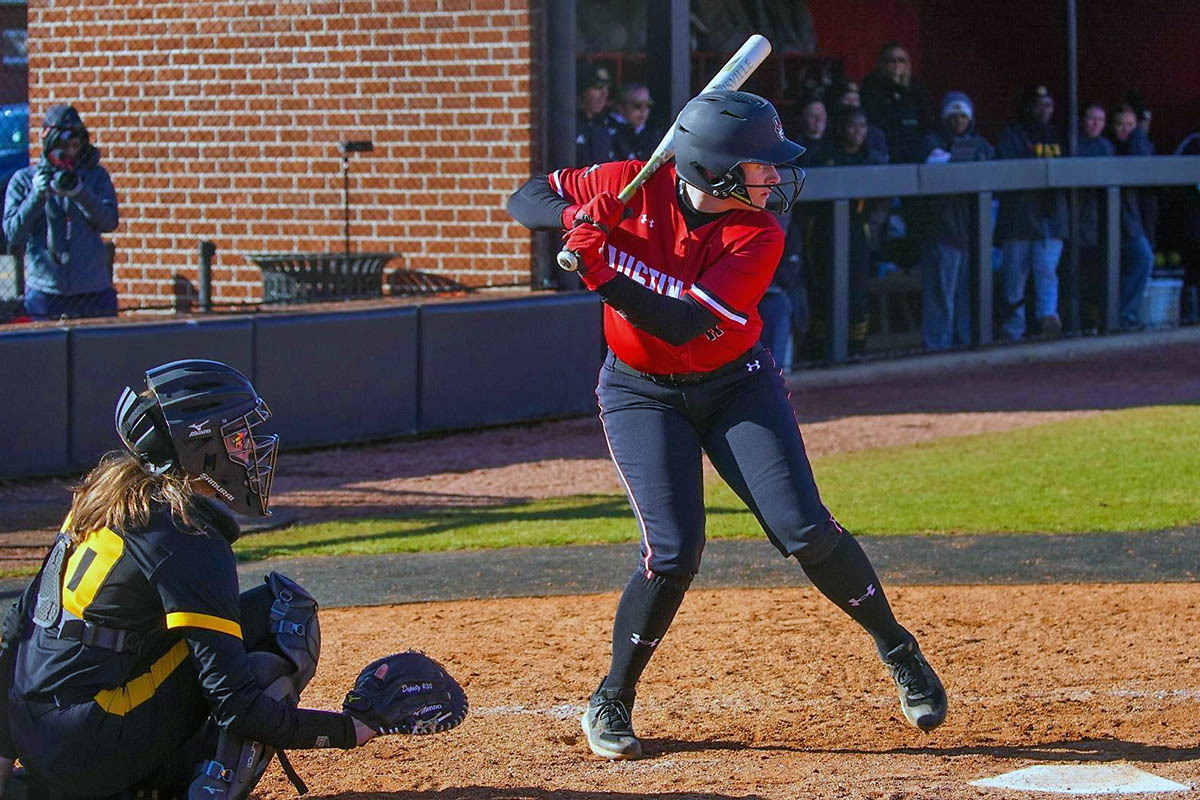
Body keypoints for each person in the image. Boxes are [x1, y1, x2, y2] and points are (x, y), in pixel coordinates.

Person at [506, 89, 946, 761]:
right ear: (715, 172)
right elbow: (525, 196)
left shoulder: (759, 232)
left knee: (803, 528)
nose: (774, 175)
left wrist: (597, 268)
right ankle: (613, 698)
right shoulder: (632, 181)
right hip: (640, 392)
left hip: (737, 386)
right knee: (674, 552)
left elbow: (682, 324)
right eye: (761, 165)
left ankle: (898, 648)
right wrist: (576, 215)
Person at [0, 360, 380, 800]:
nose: (249, 449)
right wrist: (346, 730)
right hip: (88, 748)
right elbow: (235, 704)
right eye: (237, 437)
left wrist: (4, 753)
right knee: (281, 615)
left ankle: (63, 787)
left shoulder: (104, 496)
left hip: (39, 734)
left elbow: (19, 626)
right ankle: (200, 791)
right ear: (198, 445)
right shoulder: (187, 532)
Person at [3, 104, 119, 321]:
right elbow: (13, 234)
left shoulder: (94, 176)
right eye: (62, 145)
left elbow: (109, 222)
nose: (69, 152)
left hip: (92, 290)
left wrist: (80, 193)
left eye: (75, 145)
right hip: (46, 291)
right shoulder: (24, 180)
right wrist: (37, 196)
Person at [918, 91, 994, 351]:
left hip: (972, 235)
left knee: (967, 297)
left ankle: (965, 345)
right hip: (942, 233)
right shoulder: (931, 141)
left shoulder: (981, 145)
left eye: (963, 115)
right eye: (954, 115)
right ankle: (937, 349)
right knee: (941, 297)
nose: (959, 120)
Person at [812, 107, 890, 358]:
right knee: (823, 289)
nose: (858, 132)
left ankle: (856, 349)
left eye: (862, 127)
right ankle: (821, 350)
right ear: (842, 128)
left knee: (856, 291)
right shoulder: (825, 154)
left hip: (857, 229)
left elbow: (884, 198)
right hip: (824, 232)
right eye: (853, 126)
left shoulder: (871, 158)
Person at [995, 85, 1069, 340]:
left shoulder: (1060, 135)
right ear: (1028, 105)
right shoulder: (1012, 134)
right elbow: (1008, 170)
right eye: (1040, 104)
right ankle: (1014, 329)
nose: (1045, 110)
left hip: (1051, 218)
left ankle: (1047, 320)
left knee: (1047, 270)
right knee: (1015, 278)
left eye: (1049, 104)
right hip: (1018, 218)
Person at [1107, 103, 1155, 329]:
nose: (1125, 130)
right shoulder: (1106, 147)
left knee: (1143, 259)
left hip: (1130, 224)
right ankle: (1121, 318)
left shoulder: (1139, 145)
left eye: (1131, 125)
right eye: (1120, 124)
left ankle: (1124, 317)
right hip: (1104, 226)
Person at [1075, 102, 1115, 331]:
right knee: (1078, 277)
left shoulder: (1107, 148)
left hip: (1101, 225)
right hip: (1077, 225)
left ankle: (1096, 323)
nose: (1095, 124)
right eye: (1091, 118)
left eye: (1099, 120)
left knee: (1097, 278)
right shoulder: (1073, 145)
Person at [860, 43, 926, 164]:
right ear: (882, 63)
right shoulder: (871, 85)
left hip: (913, 144)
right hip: (886, 145)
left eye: (901, 60)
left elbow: (925, 116)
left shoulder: (916, 86)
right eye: (891, 60)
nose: (897, 64)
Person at [576, 63, 618, 166]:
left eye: (607, 87)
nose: (604, 93)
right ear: (582, 90)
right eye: (598, 87)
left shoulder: (607, 125)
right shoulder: (569, 126)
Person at [611, 84, 664, 162]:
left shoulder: (655, 133)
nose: (643, 110)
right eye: (637, 105)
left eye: (648, 104)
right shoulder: (610, 131)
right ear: (621, 107)